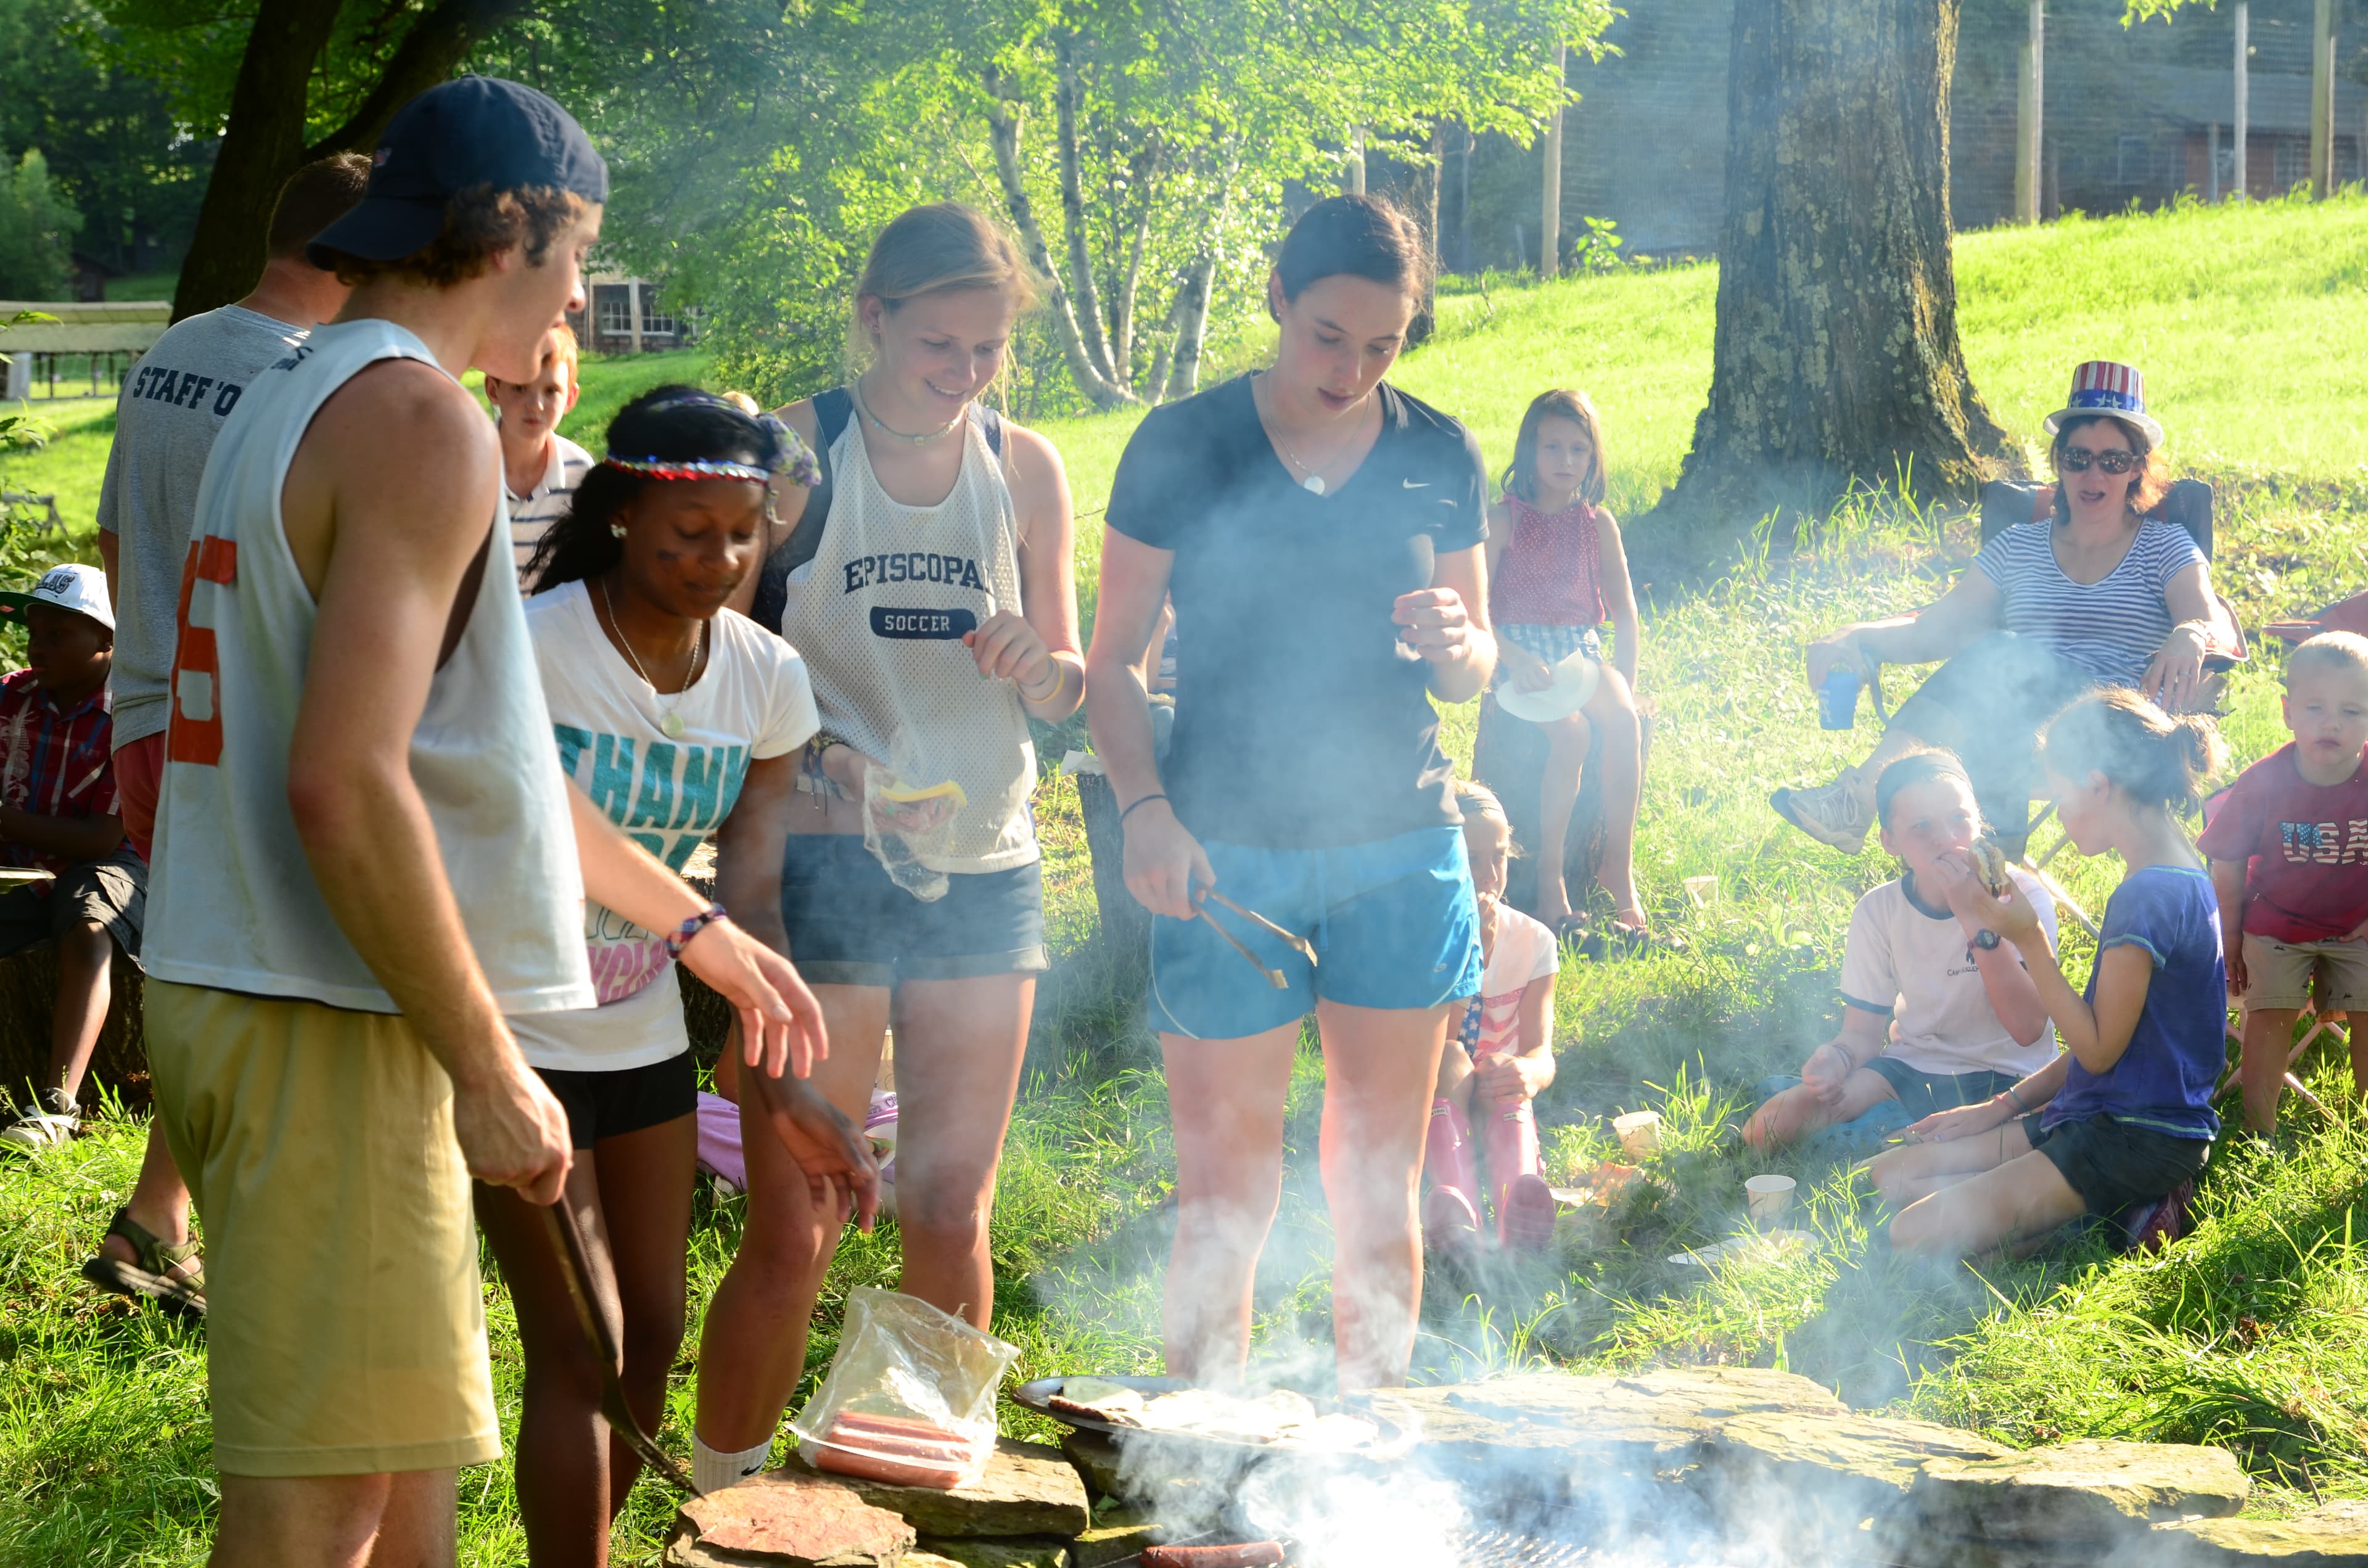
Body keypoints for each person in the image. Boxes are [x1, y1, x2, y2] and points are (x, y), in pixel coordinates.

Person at [139, 78, 827, 1566]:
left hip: (255, 997)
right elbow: (347, 778)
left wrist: (690, 928)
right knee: (324, 1516)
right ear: (514, 228)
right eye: (580, 252)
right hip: (317, 1017)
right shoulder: (416, 422)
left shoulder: (298, 386)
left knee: (409, 1505)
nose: (582, 292)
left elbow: (483, 763)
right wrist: (490, 1065)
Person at [697, 201, 1081, 1495]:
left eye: (986, 349)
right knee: (797, 1223)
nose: (966, 372)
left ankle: (923, 1489)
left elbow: (1073, 680)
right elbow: (721, 682)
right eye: (938, 345)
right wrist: (829, 766)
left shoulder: (1024, 467)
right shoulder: (799, 454)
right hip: (821, 869)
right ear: (873, 319)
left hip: (987, 862)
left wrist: (1047, 665)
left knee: (948, 1205)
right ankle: (719, 1490)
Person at [1083, 193, 1495, 1389]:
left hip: (1401, 842)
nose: (1353, 368)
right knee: (1227, 1194)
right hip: (1229, 851)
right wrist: (1147, 810)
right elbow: (1110, 659)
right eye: (1329, 335)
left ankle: (1374, 1469)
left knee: (1378, 1182)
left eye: (1384, 344)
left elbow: (1478, 670)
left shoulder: (1436, 451)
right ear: (1277, 297)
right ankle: (1203, 1478)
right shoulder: (1183, 442)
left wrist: (1459, 639)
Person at [490, 386, 871, 1566]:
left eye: (745, 533)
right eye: (690, 533)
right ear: (621, 517)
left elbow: (744, 909)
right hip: (511, 1036)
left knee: (651, 1328)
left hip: (643, 1038)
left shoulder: (765, 679)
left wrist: (790, 1088)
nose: (722, 558)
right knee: (584, 1342)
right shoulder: (530, 645)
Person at [82, 151, 368, 1312]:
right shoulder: (303, 376)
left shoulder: (175, 347)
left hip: (145, 712)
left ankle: (159, 1218)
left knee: (216, 978)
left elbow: (111, 541)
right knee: (264, 983)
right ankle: (216, 1227)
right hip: (236, 719)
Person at [1774, 362, 2230, 856]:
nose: (2093, 474)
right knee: (1999, 692)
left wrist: (2190, 631)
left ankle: (1863, 802)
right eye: (2078, 457)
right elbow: (1936, 629)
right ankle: (1995, 877)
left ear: (2138, 466)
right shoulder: (2019, 546)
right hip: (2017, 727)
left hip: (2116, 732)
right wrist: (1855, 635)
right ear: (2059, 461)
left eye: (2113, 461)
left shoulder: (2164, 546)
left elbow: (2205, 615)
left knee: (2003, 656)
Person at [1868, 691, 2228, 1258]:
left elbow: (2100, 1048)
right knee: (1888, 1174)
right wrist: (2000, 1108)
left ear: (2097, 784)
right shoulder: (2181, 872)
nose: (2058, 814)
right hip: (2094, 1114)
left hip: (2136, 1138)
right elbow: (2116, 1039)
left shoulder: (2148, 895)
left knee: (1912, 1233)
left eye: (2059, 795)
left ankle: (2117, 1213)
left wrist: (2028, 937)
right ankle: (2061, 1214)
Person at [1742, 750, 2057, 1157]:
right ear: (1890, 841)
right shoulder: (1879, 910)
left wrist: (1972, 914)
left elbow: (2028, 1027)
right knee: (1770, 1124)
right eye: (1921, 826)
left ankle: (1899, 1142)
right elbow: (1862, 1033)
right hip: (1912, 1066)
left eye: (1959, 818)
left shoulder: (2021, 896)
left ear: (1979, 821)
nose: (1945, 837)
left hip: (2009, 1077)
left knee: (1931, 1160)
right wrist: (1837, 1058)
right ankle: (1893, 1134)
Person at [1484, 388, 1646, 935]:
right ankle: (1551, 874)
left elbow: (1624, 612)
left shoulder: (1596, 524)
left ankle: (1616, 866)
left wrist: (1626, 679)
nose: (1565, 461)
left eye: (1579, 450)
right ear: (1528, 449)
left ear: (1594, 458)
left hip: (1580, 650)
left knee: (1623, 720)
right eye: (1552, 447)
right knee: (1572, 735)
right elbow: (1474, 605)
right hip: (1519, 655)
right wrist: (1511, 654)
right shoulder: (1504, 520)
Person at [0, 569, 145, 1158]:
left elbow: (101, 836)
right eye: (34, 631)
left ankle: (57, 1106)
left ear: (107, 642)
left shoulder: (128, 711)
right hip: (21, 865)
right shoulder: (12, 695)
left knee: (89, 928)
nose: (38, 646)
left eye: (58, 633)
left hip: (109, 863)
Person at [2198, 631, 2368, 1134]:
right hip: (2276, 924)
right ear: (2287, 711)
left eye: (2352, 711)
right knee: (2269, 1016)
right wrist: (2230, 938)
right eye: (2315, 708)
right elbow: (2226, 866)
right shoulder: (2264, 781)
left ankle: (2363, 1124)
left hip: (2357, 927)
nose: (2332, 723)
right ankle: (2260, 1130)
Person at [1421, 781, 1560, 1255]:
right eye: (1471, 859)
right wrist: (1471, 954)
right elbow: (1433, 1040)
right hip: (1435, 1098)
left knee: (1506, 1075)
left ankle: (1519, 1209)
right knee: (1449, 1056)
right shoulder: (1425, 937)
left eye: (1498, 857)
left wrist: (1529, 1073)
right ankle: (1460, 1218)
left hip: (1496, 1101)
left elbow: (1542, 1052)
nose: (1488, 875)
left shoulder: (1535, 940)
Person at [486, 321, 591, 578]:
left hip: (550, 616)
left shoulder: (580, 472)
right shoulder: (466, 466)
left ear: (570, 398)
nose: (536, 405)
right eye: (520, 388)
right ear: (493, 389)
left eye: (551, 390)